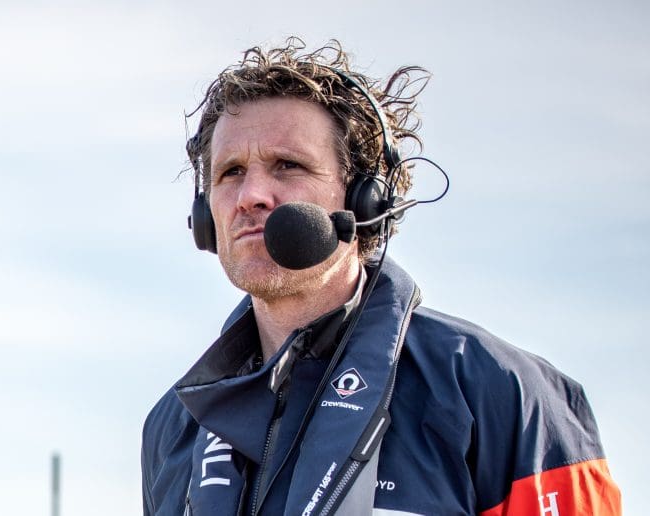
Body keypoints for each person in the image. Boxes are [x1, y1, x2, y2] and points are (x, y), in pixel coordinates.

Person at [140, 39, 621, 516]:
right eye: (230, 172)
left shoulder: (500, 391)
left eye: (287, 165)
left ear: (366, 198)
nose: (250, 195)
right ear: (205, 215)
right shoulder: (174, 427)